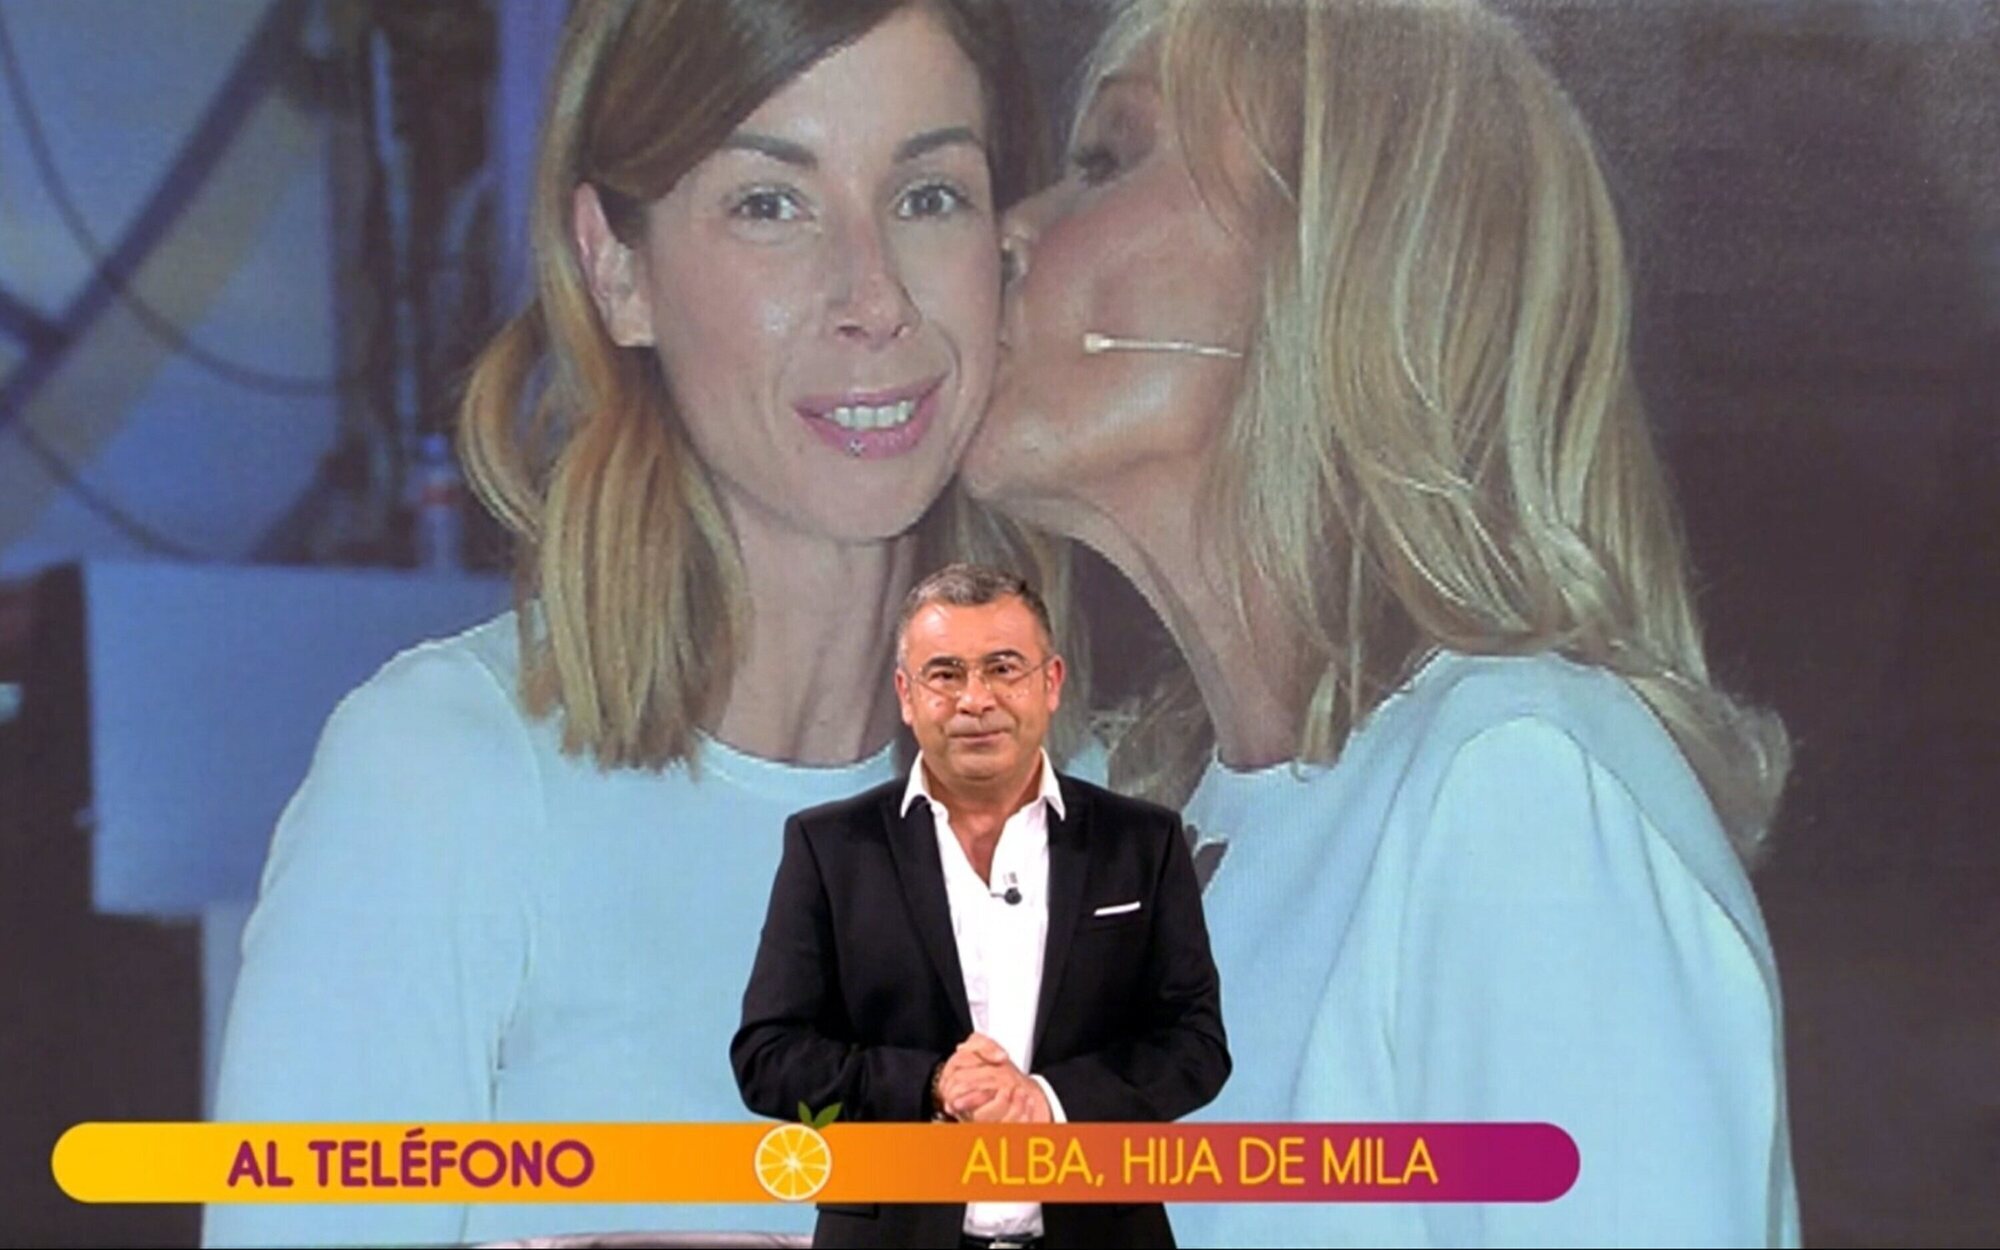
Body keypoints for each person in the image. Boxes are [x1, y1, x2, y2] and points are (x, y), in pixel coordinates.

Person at [204, 2, 1055, 1245]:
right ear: (617, 268)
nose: (872, 297)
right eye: (770, 203)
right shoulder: (443, 780)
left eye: (929, 196)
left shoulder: (1099, 811)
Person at [963, 0, 1799, 1245]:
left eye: (1106, 158)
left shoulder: (1516, 785)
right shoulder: (1148, 826)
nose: (1010, 229)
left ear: (1335, 262)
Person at [732, 563, 1230, 1249]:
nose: (976, 699)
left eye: (1003, 669)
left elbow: (1195, 1047)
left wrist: (1047, 1101)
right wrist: (931, 1085)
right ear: (906, 695)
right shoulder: (831, 848)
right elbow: (769, 1058)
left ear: (1051, 683)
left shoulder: (1141, 843)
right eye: (945, 674)